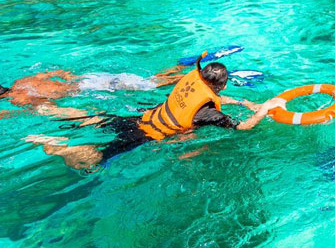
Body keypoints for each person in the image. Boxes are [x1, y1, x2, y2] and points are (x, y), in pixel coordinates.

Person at [25, 55, 284, 171]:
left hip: (142, 117)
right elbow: (243, 129)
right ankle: (56, 147)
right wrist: (263, 110)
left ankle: (47, 110)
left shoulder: (193, 80)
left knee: (94, 119)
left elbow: (209, 101)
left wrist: (243, 103)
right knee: (98, 159)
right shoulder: (208, 113)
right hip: (147, 135)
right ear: (223, 84)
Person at [0, 64, 190, 120]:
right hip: (88, 78)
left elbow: (46, 107)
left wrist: (7, 114)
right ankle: (180, 66)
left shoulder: (18, 98)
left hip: (90, 88)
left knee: (152, 84)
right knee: (150, 81)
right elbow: (57, 71)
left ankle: (191, 75)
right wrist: (70, 79)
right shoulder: (21, 82)